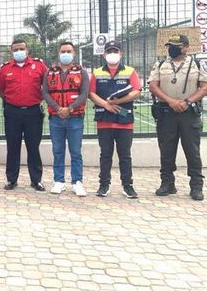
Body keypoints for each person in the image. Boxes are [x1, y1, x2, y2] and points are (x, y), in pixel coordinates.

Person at [148, 34, 207, 201]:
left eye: (176, 46)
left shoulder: (197, 64)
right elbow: (153, 86)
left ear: (186, 47)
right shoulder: (161, 64)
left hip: (189, 112)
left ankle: (196, 186)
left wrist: (187, 101)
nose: (172, 49)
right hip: (166, 112)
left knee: (192, 152)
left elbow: (204, 87)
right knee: (166, 150)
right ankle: (167, 183)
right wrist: (171, 101)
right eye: (170, 46)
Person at [88, 40, 141, 199]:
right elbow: (91, 93)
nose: (112, 54)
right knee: (105, 155)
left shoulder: (130, 71)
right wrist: (106, 104)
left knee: (125, 155)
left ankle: (127, 186)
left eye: (115, 51)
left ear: (121, 54)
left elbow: (136, 91)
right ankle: (104, 185)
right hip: (104, 120)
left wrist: (118, 101)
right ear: (104, 54)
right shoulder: (97, 72)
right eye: (109, 51)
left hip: (124, 121)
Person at [0, 39, 47, 191]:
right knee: (12, 146)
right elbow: (0, 90)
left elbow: (47, 85)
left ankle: (36, 180)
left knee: (33, 147)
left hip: (33, 112)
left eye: (22, 48)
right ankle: (11, 179)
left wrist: (38, 98)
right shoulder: (5, 68)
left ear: (27, 49)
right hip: (13, 112)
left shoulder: (39, 65)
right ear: (11, 51)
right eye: (16, 49)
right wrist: (11, 100)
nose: (19, 52)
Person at [42, 42, 89, 197]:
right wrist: (58, 108)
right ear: (59, 53)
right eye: (63, 51)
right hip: (56, 118)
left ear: (74, 53)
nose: (66, 54)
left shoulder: (81, 72)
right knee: (58, 151)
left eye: (69, 51)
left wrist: (70, 108)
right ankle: (59, 181)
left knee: (75, 152)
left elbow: (84, 93)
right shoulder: (50, 72)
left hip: (75, 117)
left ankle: (77, 182)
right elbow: (45, 93)